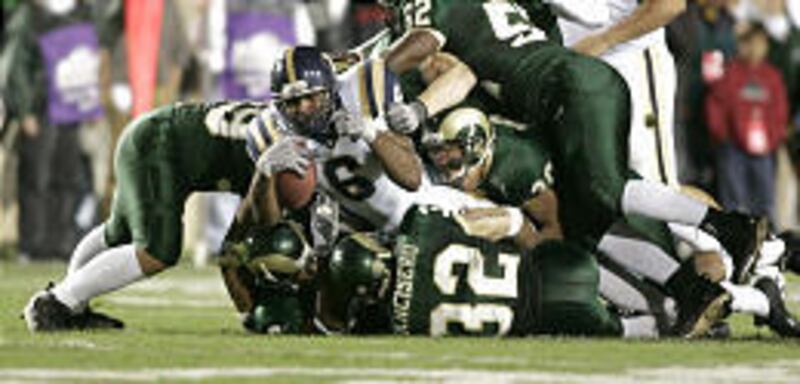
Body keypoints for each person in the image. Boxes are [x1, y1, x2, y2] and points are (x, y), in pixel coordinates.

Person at [378, 0, 766, 286]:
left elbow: (669, 5)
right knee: (591, 200)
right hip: (567, 70)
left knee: (633, 185)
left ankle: (748, 249)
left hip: (621, 60)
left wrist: (603, 40)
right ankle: (684, 290)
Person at [22, 101, 307, 332]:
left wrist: (246, 312)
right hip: (158, 145)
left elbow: (231, 248)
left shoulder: (285, 137)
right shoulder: (283, 159)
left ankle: (69, 306)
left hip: (154, 134)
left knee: (119, 233)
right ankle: (56, 303)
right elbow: (248, 234)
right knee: (158, 250)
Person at [8, 0, 107, 262]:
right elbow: (17, 64)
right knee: (36, 177)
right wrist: (25, 109)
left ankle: (60, 243)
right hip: (42, 107)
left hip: (71, 108)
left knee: (67, 177)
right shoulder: (31, 14)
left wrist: (90, 104)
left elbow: (89, 58)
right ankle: (32, 244)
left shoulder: (83, 12)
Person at [558, 0, 685, 186]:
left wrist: (604, 40)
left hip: (630, 65)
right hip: (575, 68)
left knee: (652, 184)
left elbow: (670, 5)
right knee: (595, 185)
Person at [706, 23, 788, 223]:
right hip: (733, 148)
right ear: (742, 45)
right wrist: (722, 135)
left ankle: (768, 244)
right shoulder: (730, 72)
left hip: (764, 152)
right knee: (733, 202)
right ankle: (735, 244)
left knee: (765, 202)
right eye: (750, 43)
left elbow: (780, 110)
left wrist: (773, 138)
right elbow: (715, 103)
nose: (755, 49)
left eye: (761, 44)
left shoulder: (773, 76)